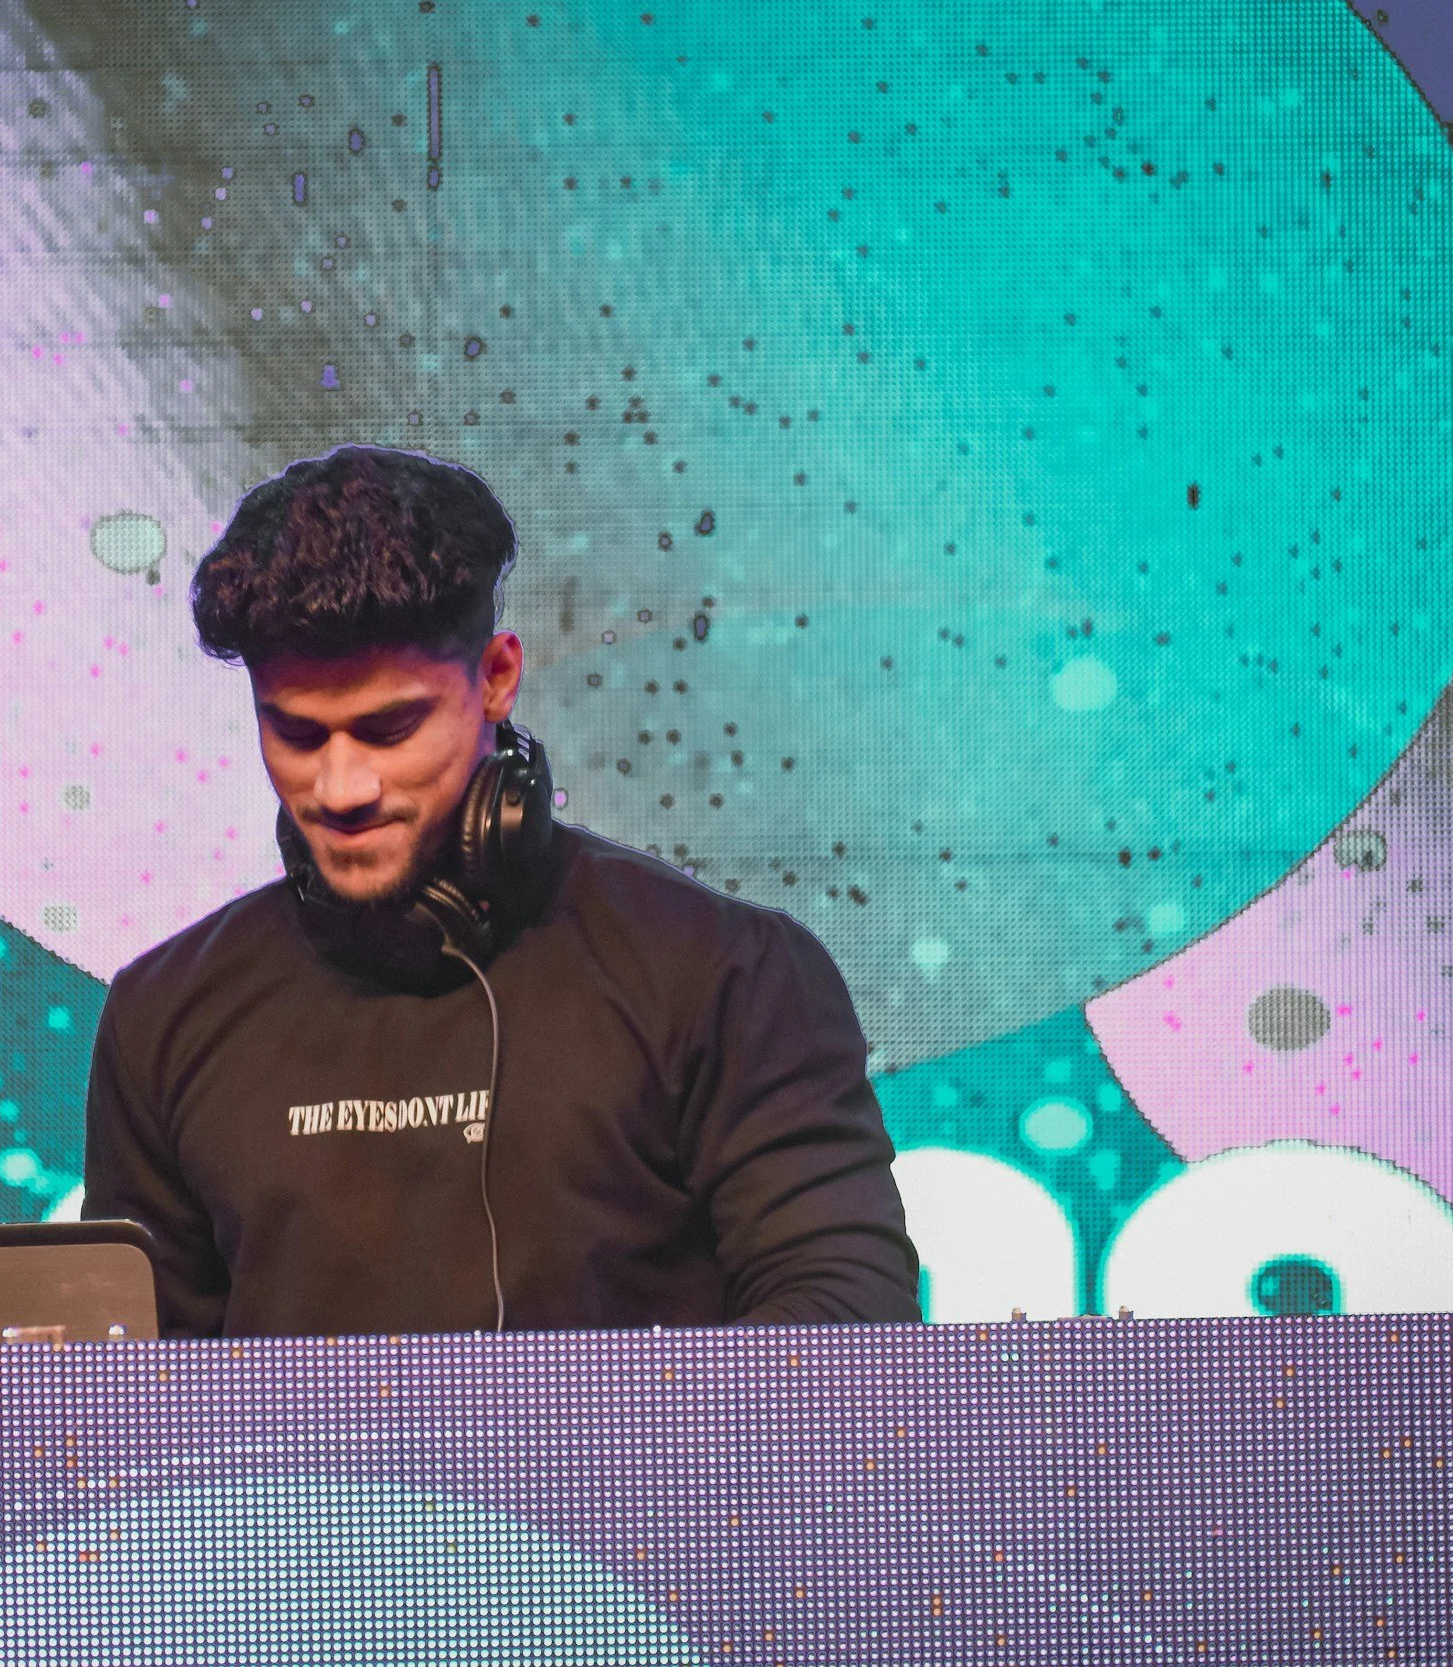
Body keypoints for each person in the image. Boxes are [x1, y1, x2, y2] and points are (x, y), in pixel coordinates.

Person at [82, 444, 920, 1336]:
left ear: (497, 678)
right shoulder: (163, 1015)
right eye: (296, 733)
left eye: (389, 727)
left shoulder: (727, 974)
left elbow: (843, 1327)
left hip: (631, 1478)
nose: (341, 788)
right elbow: (137, 1396)